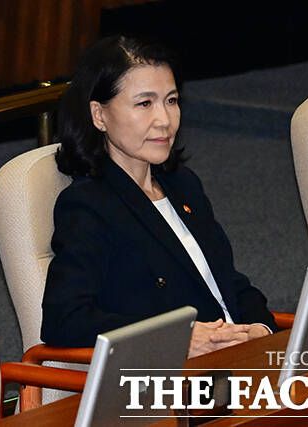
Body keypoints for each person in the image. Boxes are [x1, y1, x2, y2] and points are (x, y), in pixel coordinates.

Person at [40, 35, 277, 357]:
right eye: (144, 104)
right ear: (99, 115)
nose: (165, 120)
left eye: (171, 101)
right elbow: (65, 318)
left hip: (238, 358)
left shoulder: (183, 184)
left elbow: (229, 283)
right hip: (175, 376)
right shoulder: (88, 204)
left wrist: (261, 329)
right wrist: (175, 338)